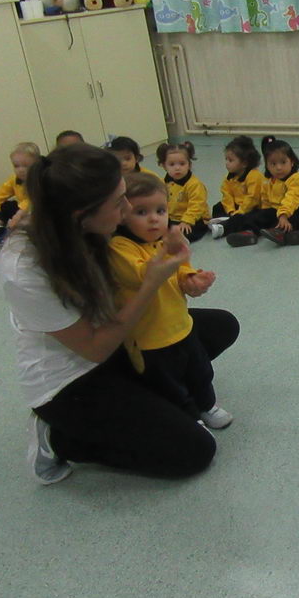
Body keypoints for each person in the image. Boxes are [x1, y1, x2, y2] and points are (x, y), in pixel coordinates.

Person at [0, 144, 238, 484]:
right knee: (194, 452)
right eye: (118, 203)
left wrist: (184, 275)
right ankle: (59, 439)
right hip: (74, 376)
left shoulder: (97, 226)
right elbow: (94, 347)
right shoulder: (24, 267)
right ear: (82, 214)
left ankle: (146, 401)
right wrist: (151, 284)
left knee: (218, 326)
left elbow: (146, 265)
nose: (128, 210)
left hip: (122, 339)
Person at [109, 173, 232, 427]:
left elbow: (180, 268)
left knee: (199, 371)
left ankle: (206, 404)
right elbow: (144, 275)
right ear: (122, 214)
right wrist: (170, 251)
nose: (154, 218)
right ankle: (189, 418)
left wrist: (191, 279)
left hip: (182, 325)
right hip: (149, 339)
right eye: (141, 212)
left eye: (161, 210)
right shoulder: (121, 247)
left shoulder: (161, 240)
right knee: (168, 383)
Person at [242, 137, 299, 246]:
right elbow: (266, 201)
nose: (279, 168)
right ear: (267, 165)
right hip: (279, 212)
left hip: (295, 210)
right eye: (273, 164)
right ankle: (249, 232)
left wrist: (283, 215)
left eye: (283, 162)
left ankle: (284, 232)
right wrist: (264, 216)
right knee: (257, 215)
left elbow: (292, 199)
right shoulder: (269, 182)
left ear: (292, 162)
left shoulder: (296, 180)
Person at [0, 142, 41, 241]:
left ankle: (21, 230)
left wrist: (19, 214)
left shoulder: (39, 178)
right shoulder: (14, 180)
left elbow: (31, 200)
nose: (20, 170)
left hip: (36, 210)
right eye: (16, 166)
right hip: (20, 211)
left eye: (25, 166)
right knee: (6, 206)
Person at [157, 141, 209, 242]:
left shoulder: (194, 184)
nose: (177, 168)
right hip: (172, 218)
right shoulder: (164, 182)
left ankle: (180, 241)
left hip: (195, 219)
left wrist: (186, 221)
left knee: (188, 232)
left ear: (189, 165)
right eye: (171, 164)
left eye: (182, 164)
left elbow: (197, 205)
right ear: (164, 166)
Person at [210, 135, 263, 226]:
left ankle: (229, 225)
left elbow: (252, 198)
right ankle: (228, 222)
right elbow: (226, 195)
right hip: (236, 206)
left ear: (244, 163)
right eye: (226, 159)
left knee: (254, 217)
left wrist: (240, 212)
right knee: (217, 208)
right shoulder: (229, 177)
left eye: (230, 160)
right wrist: (231, 211)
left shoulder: (254, 176)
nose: (226, 163)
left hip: (251, 207)